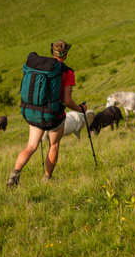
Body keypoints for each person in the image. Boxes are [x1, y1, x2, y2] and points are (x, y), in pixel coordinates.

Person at [7, 40, 87, 186]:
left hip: (33, 112)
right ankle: (47, 179)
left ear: (52, 52)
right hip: (52, 116)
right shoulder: (67, 72)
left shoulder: (40, 67)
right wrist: (81, 109)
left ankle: (14, 175)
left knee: (31, 146)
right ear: (66, 54)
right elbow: (67, 101)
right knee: (54, 146)